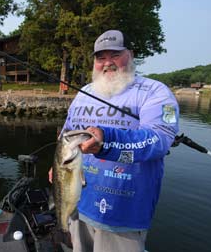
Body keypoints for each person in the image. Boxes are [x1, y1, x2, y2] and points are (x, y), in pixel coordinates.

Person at [50, 30, 179, 252]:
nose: (107, 63)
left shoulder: (156, 92)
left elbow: (160, 139)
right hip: (79, 202)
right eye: (101, 58)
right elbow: (66, 134)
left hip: (123, 213)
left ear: (131, 54)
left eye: (115, 55)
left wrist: (107, 140)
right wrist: (56, 166)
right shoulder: (84, 93)